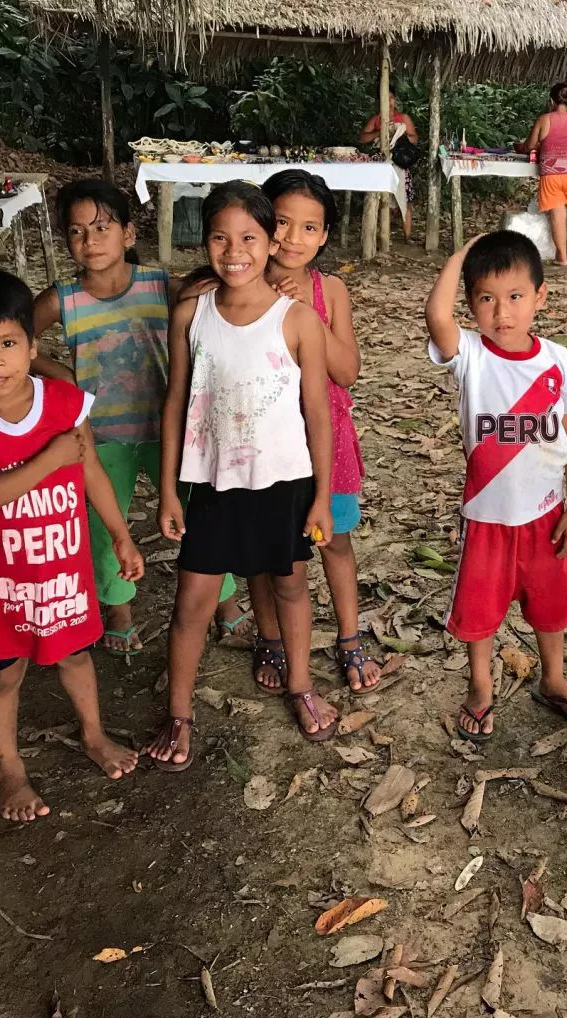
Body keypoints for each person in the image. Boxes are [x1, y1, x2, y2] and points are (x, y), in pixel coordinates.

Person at [0, 268, 144, 821]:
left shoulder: (66, 403)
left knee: (74, 655)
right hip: (1, 583)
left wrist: (120, 534)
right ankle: (9, 766)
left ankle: (93, 733)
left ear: (32, 344)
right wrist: (48, 459)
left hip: (63, 571)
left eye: (8, 343)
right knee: (3, 674)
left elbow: (90, 469)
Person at [144, 181, 337, 769]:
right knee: (191, 605)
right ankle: (179, 715)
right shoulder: (191, 316)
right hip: (212, 487)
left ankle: (302, 686)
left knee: (291, 587)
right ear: (204, 242)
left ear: (269, 239)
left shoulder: (297, 320)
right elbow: (176, 403)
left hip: (285, 483)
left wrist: (323, 496)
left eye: (250, 237)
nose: (235, 251)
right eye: (220, 237)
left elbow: (317, 415)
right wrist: (171, 490)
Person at [31, 180, 244, 655]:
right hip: (101, 435)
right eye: (77, 232)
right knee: (108, 527)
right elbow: (14, 338)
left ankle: (226, 603)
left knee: (199, 515)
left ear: (128, 234)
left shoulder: (160, 286)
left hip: (170, 430)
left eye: (102, 227)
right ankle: (119, 612)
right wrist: (61, 375)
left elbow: (220, 305)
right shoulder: (62, 299)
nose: (90, 240)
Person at [425, 230, 567, 742]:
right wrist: (460, 254)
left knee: (550, 606)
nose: (502, 311)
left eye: (516, 296)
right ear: (471, 303)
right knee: (479, 611)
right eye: (486, 298)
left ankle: (554, 678)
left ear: (540, 297)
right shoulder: (471, 355)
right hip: (486, 517)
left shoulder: (558, 361)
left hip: (546, 514)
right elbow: (436, 317)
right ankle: (480, 686)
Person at [246, 169, 380, 694]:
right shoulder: (242, 284)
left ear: (325, 236)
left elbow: (346, 371)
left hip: (327, 446)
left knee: (334, 543)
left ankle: (350, 637)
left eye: (309, 228)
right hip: (264, 447)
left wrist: (307, 313)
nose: (292, 239)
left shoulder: (332, 289)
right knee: (265, 552)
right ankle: (271, 638)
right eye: (281, 223)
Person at [520, 82, 567, 266]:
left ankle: (562, 257)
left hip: (551, 174)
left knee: (557, 215)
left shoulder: (544, 119)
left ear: (551, 100)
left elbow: (529, 145)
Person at [358, 82, 418, 242]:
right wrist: (380, 131)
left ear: (395, 99)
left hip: (399, 163)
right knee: (382, 199)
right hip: (381, 164)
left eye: (391, 98)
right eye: (385, 98)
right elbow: (363, 137)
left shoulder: (403, 118)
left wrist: (399, 135)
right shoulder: (376, 119)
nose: (389, 101)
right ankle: (381, 235)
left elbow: (414, 139)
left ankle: (408, 236)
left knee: (404, 200)